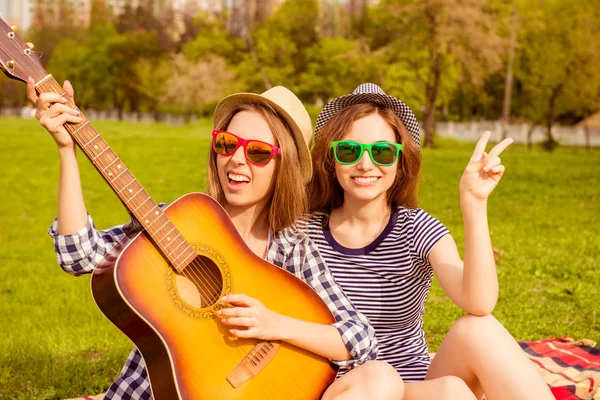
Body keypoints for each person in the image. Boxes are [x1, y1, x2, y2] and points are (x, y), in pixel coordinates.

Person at [27, 79, 402, 399]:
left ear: (283, 165)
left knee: (381, 378)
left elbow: (359, 338)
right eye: (227, 144)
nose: (237, 159)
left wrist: (273, 324)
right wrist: (66, 151)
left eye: (257, 152)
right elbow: (78, 255)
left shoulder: (291, 246)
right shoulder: (176, 224)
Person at [303, 83, 555, 400]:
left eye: (381, 151)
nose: (365, 164)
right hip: (346, 389)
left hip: (414, 388)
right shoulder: (304, 232)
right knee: (451, 393)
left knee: (477, 330)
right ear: (332, 159)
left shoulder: (416, 228)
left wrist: (474, 203)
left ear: (400, 160)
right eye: (349, 150)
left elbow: (479, 303)